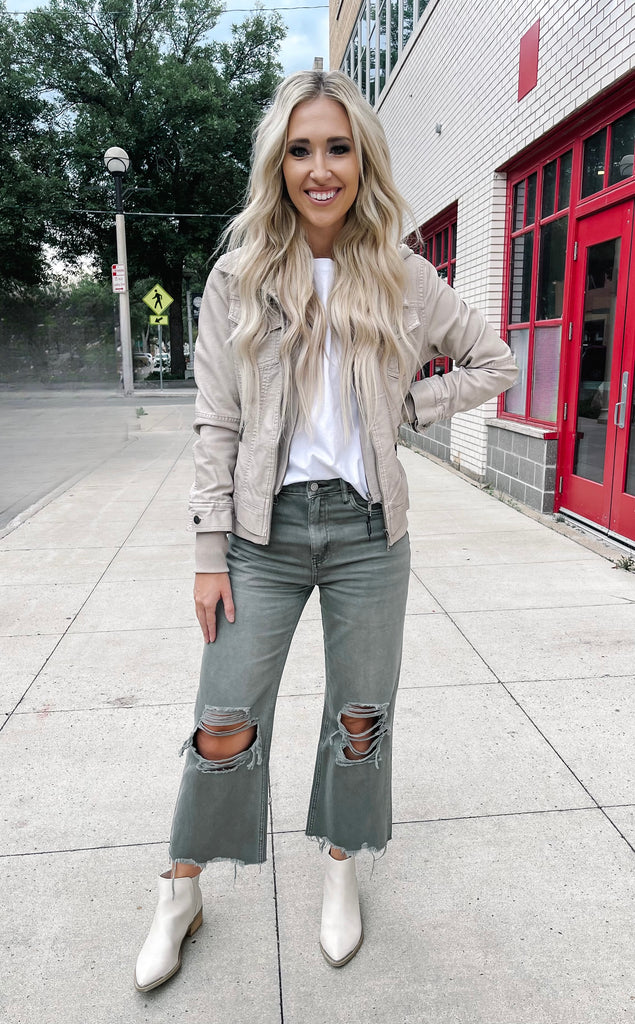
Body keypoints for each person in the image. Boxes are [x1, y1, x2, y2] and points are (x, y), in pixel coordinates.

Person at [134, 68, 518, 991]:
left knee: (359, 717)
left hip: (367, 536)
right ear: (279, 162)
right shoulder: (238, 277)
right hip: (258, 537)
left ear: (362, 161)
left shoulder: (401, 274)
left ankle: (342, 868)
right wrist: (207, 553)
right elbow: (216, 423)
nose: (319, 168)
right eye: (300, 150)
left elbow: (492, 360)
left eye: (337, 148)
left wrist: (407, 408)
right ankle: (180, 890)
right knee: (223, 719)